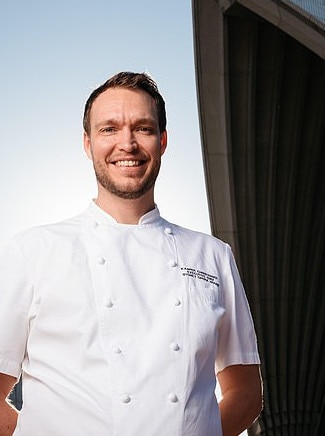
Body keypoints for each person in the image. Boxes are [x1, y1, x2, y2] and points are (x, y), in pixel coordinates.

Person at [0, 72, 262, 435]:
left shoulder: (213, 256)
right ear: (87, 144)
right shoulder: (33, 251)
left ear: (163, 141)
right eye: (109, 129)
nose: (127, 143)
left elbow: (246, 394)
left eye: (143, 128)